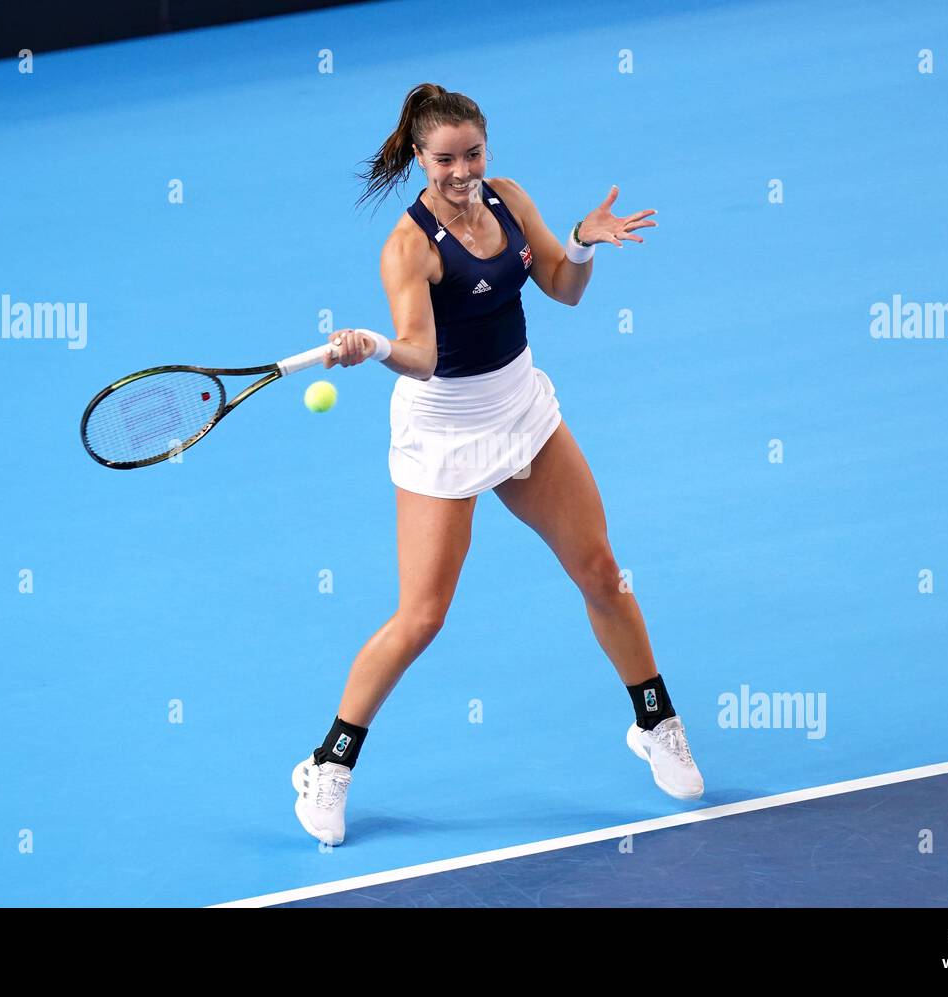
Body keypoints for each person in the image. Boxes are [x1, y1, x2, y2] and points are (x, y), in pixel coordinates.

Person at [292, 83, 703, 847]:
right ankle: (329, 760)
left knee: (602, 571)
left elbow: (562, 288)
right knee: (422, 617)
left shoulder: (508, 199)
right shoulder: (408, 246)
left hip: (521, 411)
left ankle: (655, 721)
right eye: (445, 158)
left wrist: (582, 239)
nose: (461, 170)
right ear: (420, 158)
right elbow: (420, 354)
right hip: (443, 431)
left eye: (472, 153)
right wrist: (375, 345)